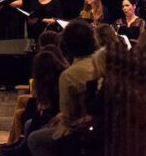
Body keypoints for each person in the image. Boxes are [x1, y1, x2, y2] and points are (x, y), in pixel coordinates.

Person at [27, 21, 98, 156]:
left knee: (34, 139)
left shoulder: (69, 75)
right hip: (101, 124)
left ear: (67, 46)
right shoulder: (101, 62)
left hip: (81, 131)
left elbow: (68, 118)